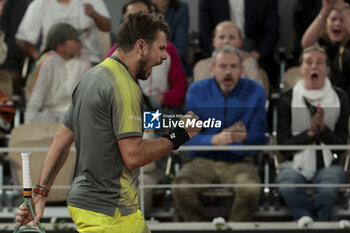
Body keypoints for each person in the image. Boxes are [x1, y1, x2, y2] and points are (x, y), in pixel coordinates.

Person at [15, 12, 200, 232]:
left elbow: (61, 140)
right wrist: (179, 135)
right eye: (161, 48)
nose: (165, 56)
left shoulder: (92, 77)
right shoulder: (125, 87)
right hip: (110, 214)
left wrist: (41, 194)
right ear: (141, 46)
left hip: (96, 208)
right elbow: (133, 156)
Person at [172, 45, 266, 222]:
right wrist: (213, 139)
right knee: (180, 188)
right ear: (212, 69)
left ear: (242, 70)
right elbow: (187, 137)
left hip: (239, 161)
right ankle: (200, 227)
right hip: (202, 160)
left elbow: (261, 137)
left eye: (234, 66)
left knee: (251, 189)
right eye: (223, 66)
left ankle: (233, 228)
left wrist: (245, 136)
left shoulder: (256, 91)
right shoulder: (196, 91)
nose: (228, 72)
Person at [276, 45, 348, 227]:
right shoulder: (286, 98)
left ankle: (318, 224)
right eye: (308, 62)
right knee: (287, 185)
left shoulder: (340, 97)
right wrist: (310, 133)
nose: (314, 67)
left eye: (319, 63)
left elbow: (341, 145)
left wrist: (322, 131)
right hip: (294, 165)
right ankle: (308, 220)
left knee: (327, 190)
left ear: (327, 70)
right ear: (301, 69)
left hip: (329, 164)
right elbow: (283, 146)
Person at [198, 0, 279, 88]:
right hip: (217, 49)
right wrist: (220, 56)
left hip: (254, 50)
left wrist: (255, 54)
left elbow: (272, 33)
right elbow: (204, 36)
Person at [24, 23, 91, 124]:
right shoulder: (47, 61)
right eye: (75, 40)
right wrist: (27, 124)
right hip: (49, 115)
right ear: (60, 46)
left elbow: (88, 94)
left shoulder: (84, 59)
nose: (80, 42)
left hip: (75, 114)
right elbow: (36, 97)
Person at [15, 0, 111, 64]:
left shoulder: (91, 1)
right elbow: (22, 39)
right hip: (52, 63)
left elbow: (107, 26)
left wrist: (94, 14)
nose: (79, 42)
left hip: (88, 62)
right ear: (60, 46)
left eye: (77, 39)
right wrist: (40, 59)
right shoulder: (39, 4)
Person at [193, 21, 266, 95]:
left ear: (240, 42)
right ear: (214, 42)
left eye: (232, 37)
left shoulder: (249, 64)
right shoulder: (201, 66)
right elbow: (199, 97)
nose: (226, 41)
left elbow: (258, 95)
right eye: (221, 37)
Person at [301, 0, 350, 108]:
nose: (337, 24)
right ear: (326, 24)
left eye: (342, 20)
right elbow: (307, 43)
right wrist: (325, 11)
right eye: (333, 19)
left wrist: (342, 6)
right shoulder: (323, 45)